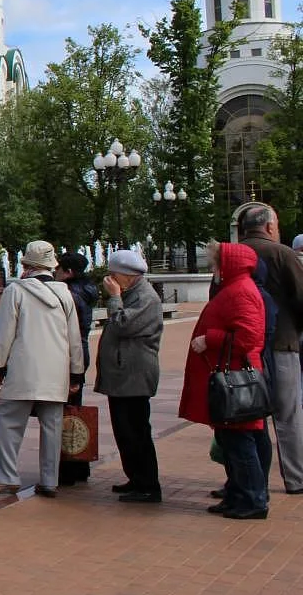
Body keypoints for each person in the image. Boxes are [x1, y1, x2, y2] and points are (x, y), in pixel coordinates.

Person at [0, 240, 84, 497]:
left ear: (26, 264)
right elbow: (74, 338)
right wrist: (76, 373)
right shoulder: (65, 294)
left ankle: (6, 477)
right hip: (56, 371)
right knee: (52, 425)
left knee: (7, 421)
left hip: (22, 369)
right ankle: (50, 481)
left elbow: (4, 335)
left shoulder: (16, 291)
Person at [180, 241, 271, 519]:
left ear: (228, 264)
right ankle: (238, 495)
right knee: (233, 441)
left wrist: (210, 339)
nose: (213, 267)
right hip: (229, 376)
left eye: (216, 262)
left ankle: (252, 500)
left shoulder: (240, 291)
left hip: (234, 380)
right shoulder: (236, 289)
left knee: (240, 443)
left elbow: (247, 338)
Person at [238, 204, 303, 494]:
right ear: (269, 227)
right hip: (282, 345)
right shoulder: (283, 254)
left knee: (246, 415)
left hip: (242, 350)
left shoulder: (232, 254)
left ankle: (248, 481)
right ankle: (296, 478)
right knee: (288, 415)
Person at [95, 249, 164, 502]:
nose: (110, 280)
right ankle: (135, 478)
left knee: (136, 431)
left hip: (134, 376)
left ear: (128, 275)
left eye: (114, 275)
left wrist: (114, 298)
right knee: (124, 430)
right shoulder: (132, 293)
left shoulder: (146, 298)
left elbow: (123, 324)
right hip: (122, 376)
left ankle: (147, 485)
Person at [55, 251, 97, 487]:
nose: (55, 272)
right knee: (74, 410)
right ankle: (80, 463)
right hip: (80, 351)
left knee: (65, 413)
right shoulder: (87, 289)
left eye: (59, 269)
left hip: (70, 354)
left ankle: (68, 467)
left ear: (68, 272)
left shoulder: (70, 294)